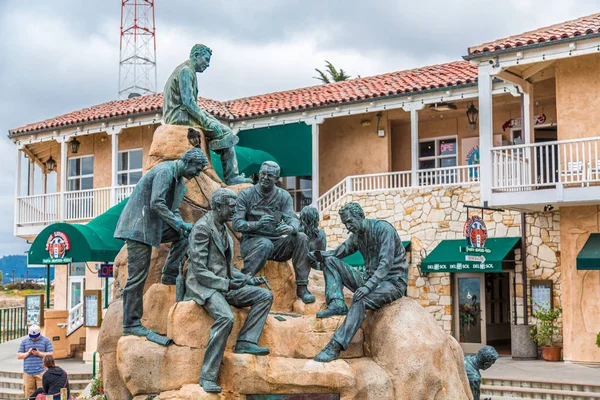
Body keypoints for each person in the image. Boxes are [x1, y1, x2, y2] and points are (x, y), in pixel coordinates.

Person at [114, 147, 209, 336]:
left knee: (183, 235)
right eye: (197, 169)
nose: (197, 174)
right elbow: (157, 203)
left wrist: (181, 225)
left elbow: (171, 209)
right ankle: (131, 324)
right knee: (137, 277)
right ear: (188, 162)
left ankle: (169, 274)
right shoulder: (165, 171)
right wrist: (179, 223)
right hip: (137, 228)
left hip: (151, 227)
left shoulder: (178, 181)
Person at [186, 188, 272, 393]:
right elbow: (198, 271)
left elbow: (226, 267)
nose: (235, 211)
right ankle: (207, 376)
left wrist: (247, 279)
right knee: (226, 317)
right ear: (217, 206)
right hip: (205, 286)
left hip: (224, 283)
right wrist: (225, 284)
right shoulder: (202, 228)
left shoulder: (223, 229)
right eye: (231, 207)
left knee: (264, 295)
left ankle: (246, 341)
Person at [310, 202, 408, 362]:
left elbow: (386, 263)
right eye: (345, 223)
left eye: (349, 221)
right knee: (331, 261)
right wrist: (319, 255)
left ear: (360, 216)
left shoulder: (384, 229)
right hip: (369, 280)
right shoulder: (357, 237)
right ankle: (336, 303)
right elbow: (338, 252)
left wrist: (368, 287)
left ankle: (336, 346)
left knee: (360, 298)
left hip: (392, 282)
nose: (348, 227)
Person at [163, 44, 252, 185]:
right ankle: (232, 176)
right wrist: (207, 122)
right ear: (195, 55)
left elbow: (192, 104)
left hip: (182, 112)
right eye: (206, 59)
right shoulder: (186, 71)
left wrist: (209, 118)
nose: (208, 64)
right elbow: (188, 103)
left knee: (217, 124)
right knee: (227, 132)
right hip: (179, 116)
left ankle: (218, 145)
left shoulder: (187, 70)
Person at [232, 161, 315, 304]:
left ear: (276, 178)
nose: (264, 177)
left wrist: (291, 228)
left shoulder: (283, 196)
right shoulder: (246, 195)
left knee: (301, 237)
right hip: (252, 243)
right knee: (265, 243)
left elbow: (293, 219)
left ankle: (302, 287)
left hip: (276, 244)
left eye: (269, 175)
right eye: (262, 173)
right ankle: (244, 281)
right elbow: (236, 223)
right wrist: (256, 224)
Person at [16, 325, 54, 399]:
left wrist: (39, 354)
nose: (34, 338)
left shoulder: (46, 341)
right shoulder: (24, 341)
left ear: (40, 333)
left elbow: (51, 354)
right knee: (29, 395)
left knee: (42, 394)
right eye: (32, 336)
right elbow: (19, 355)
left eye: (36, 336)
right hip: (28, 372)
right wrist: (28, 353)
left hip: (41, 371)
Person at [299, 206, 326, 270]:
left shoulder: (321, 234)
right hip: (303, 268)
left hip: (312, 268)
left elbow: (321, 256)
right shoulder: (321, 234)